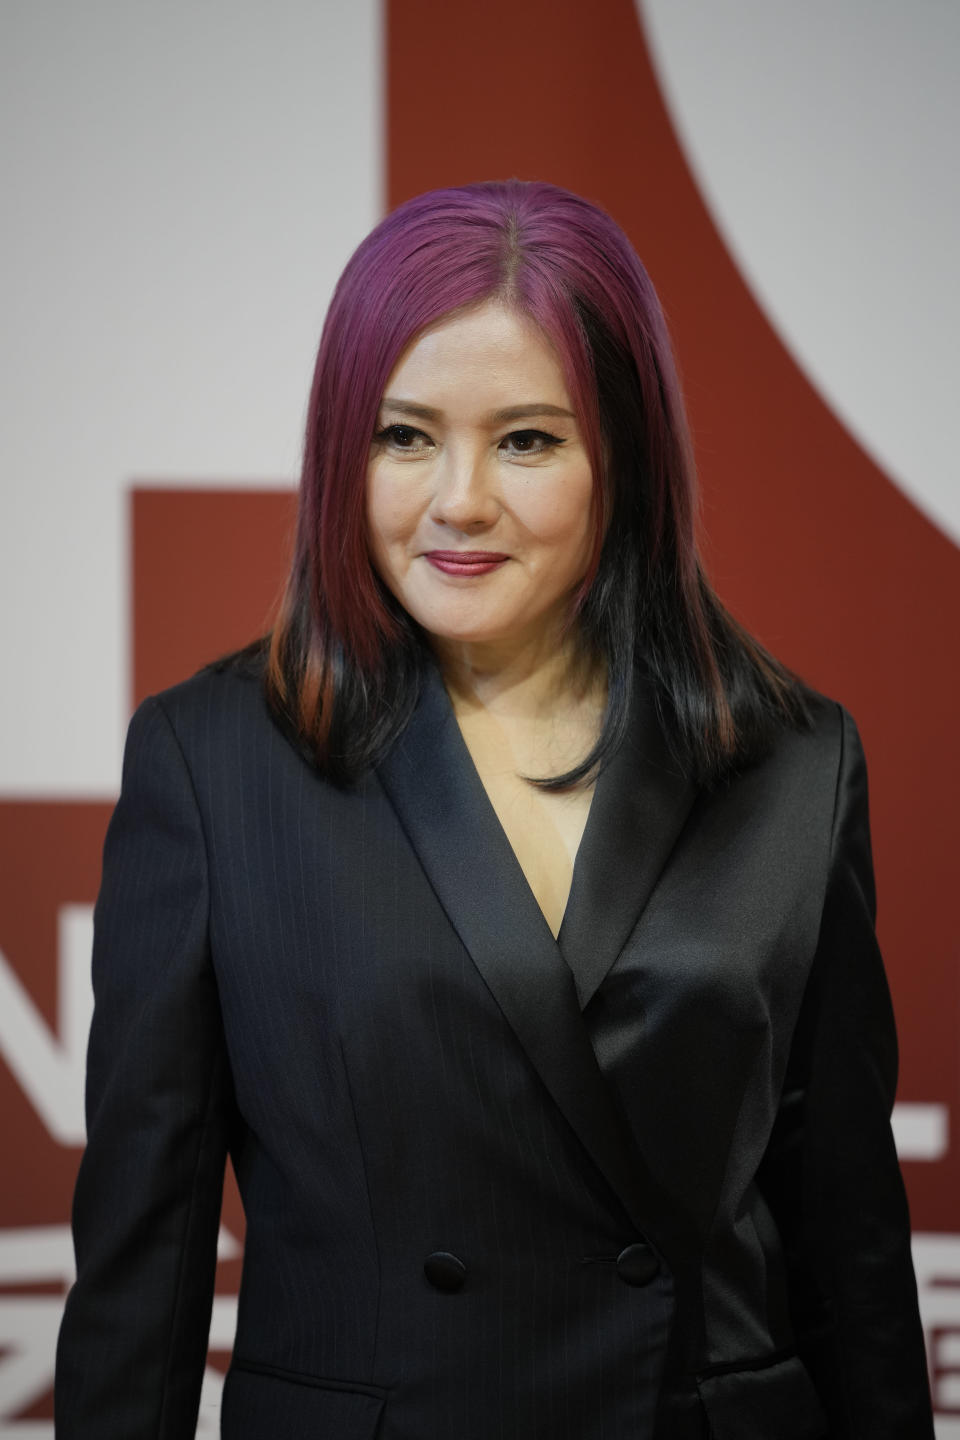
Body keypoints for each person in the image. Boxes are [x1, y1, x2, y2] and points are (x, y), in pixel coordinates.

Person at [55, 180, 933, 1440]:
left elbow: (850, 1241)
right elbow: (143, 1268)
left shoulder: (795, 760)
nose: (458, 500)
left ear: (622, 459)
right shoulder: (213, 766)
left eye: (526, 440)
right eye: (404, 437)